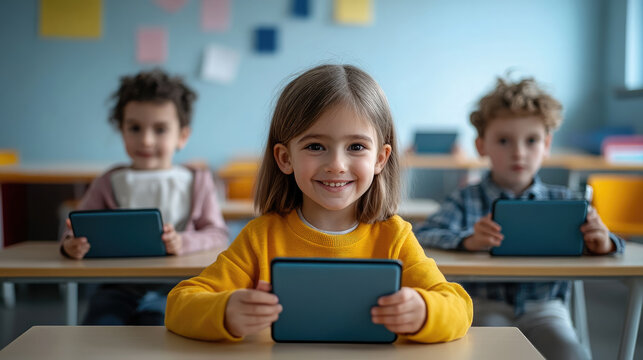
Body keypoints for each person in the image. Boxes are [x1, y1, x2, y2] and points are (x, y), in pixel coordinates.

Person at [165, 64, 473, 342]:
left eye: (356, 146)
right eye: (316, 146)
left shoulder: (394, 237)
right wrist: (226, 311)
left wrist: (424, 312)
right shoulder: (261, 237)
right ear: (285, 158)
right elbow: (180, 304)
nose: (337, 164)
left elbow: (459, 307)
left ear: (380, 158)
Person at [414, 76, 625, 360]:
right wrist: (468, 240)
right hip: (485, 306)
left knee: (574, 355)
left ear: (547, 144)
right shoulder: (466, 199)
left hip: (546, 308)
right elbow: (424, 234)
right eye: (503, 141)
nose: (519, 152)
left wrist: (604, 244)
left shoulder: (564, 201)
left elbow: (613, 245)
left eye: (532, 140)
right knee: (490, 352)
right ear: (481, 146)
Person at [60, 69, 229, 325]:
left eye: (160, 129)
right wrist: (70, 246)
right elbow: (74, 230)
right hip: (117, 289)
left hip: (180, 289)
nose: (146, 140)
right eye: (135, 128)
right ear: (122, 131)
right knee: (100, 330)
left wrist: (183, 242)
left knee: (158, 333)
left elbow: (218, 235)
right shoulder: (108, 182)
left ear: (182, 136)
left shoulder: (197, 181)